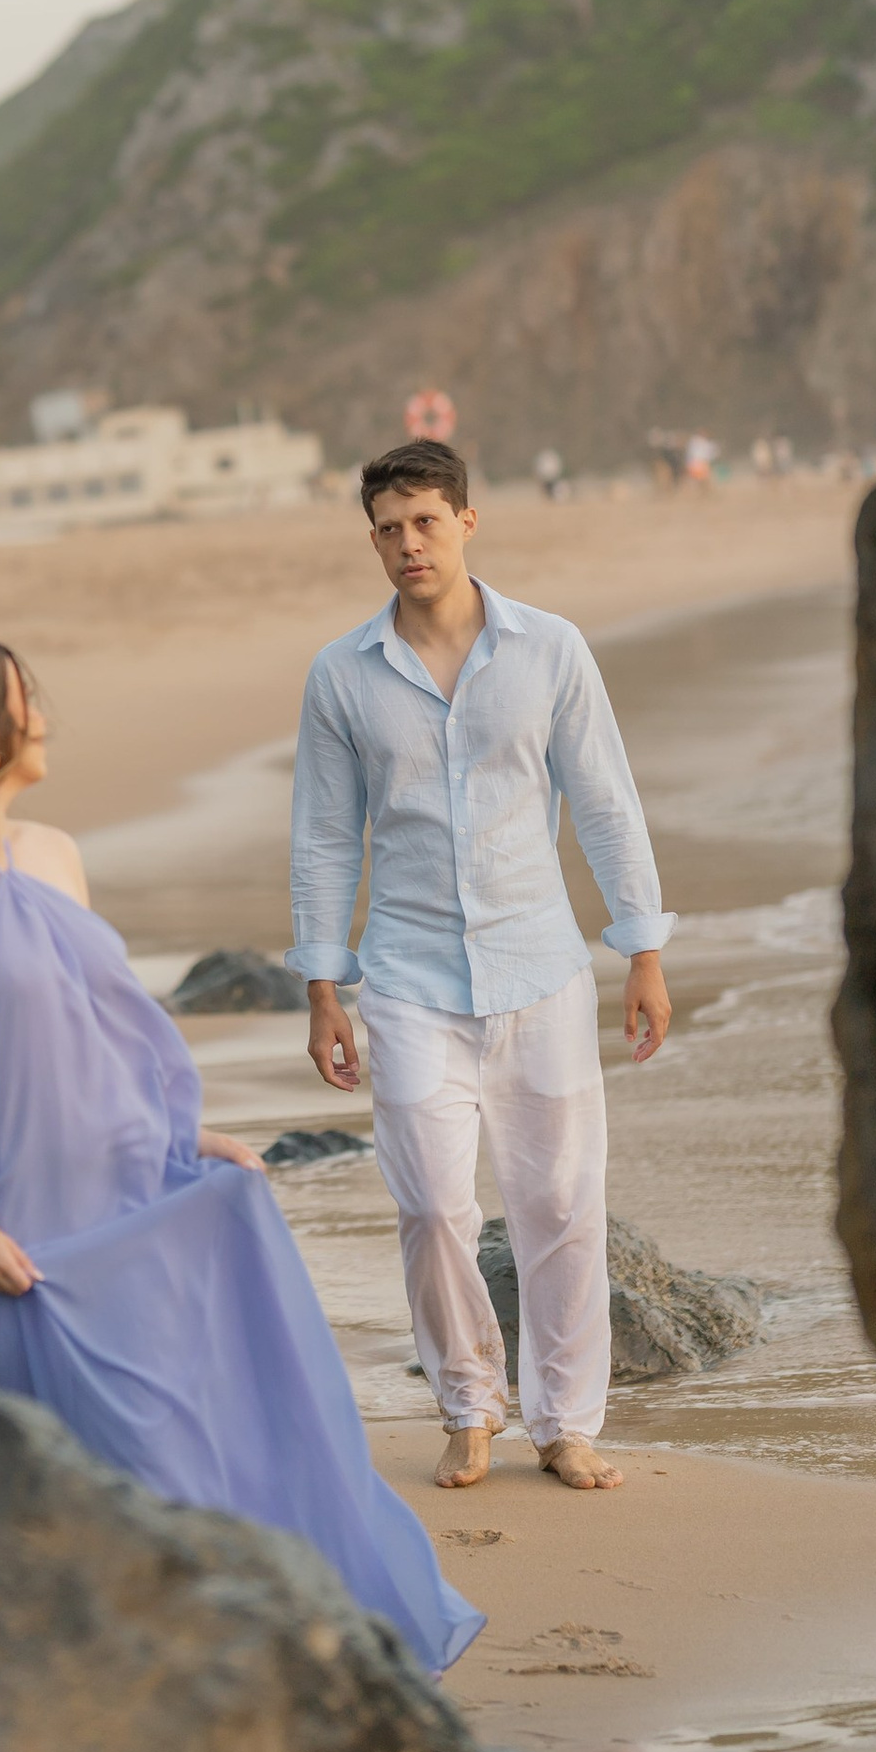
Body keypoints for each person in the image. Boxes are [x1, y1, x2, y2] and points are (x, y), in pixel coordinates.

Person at [0, 634, 481, 1677]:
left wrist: (187, 1137)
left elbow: (98, 1038)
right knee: (100, 1488)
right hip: (8, 1245)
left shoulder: (54, 853)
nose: (45, 714)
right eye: (27, 699)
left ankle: (235, 1690)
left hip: (126, 1217)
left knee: (179, 1470)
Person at [288, 439, 674, 1496]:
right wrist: (323, 986)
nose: (406, 543)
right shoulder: (342, 674)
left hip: (540, 972)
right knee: (430, 1206)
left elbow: (603, 800)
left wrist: (641, 949)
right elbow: (325, 836)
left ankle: (564, 1422)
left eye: (423, 520)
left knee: (559, 1203)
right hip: (406, 981)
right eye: (386, 526)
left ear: (466, 519)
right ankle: (468, 1407)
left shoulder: (549, 650)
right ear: (370, 537)